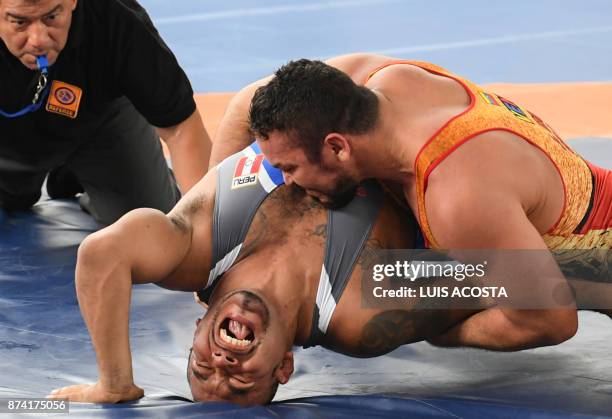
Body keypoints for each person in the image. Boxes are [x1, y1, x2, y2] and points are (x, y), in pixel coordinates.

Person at [47, 144, 611, 405]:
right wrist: (443, 326)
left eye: (202, 366)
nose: (223, 365)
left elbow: (102, 255)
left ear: (198, 326)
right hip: (462, 151)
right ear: (285, 367)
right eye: (241, 380)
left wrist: (114, 382)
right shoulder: (359, 308)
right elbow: (532, 287)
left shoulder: (193, 251)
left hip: (348, 92)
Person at [209, 53, 612, 350]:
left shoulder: (456, 197)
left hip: (601, 258)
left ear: (337, 147)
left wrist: (432, 331)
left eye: (291, 168)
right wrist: (219, 235)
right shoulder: (378, 80)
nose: (289, 183)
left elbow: (549, 321)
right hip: (563, 204)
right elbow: (244, 105)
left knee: (384, 290)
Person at [0, 0, 211, 224]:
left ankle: (83, 172)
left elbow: (180, 126)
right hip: (7, 136)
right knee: (12, 198)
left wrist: (206, 227)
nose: (38, 41)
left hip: (100, 119)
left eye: (51, 17)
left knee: (149, 220)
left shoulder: (115, 17)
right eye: (20, 22)